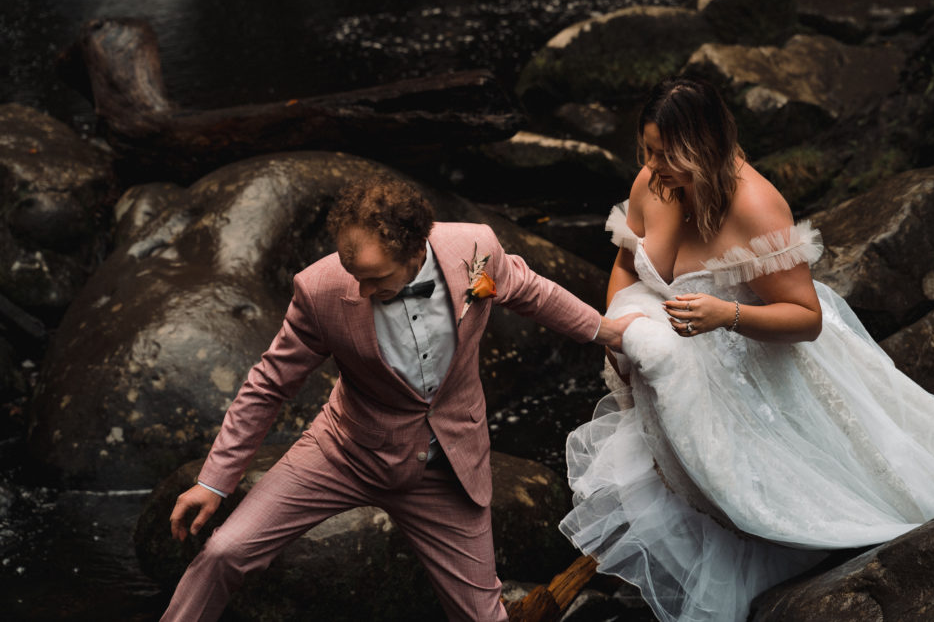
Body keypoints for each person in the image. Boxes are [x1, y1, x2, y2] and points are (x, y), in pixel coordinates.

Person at [559, 77, 934, 622]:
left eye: (667, 154)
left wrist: (724, 315)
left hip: (757, 362)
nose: (653, 165)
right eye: (649, 150)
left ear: (704, 148)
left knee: (843, 494)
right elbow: (623, 264)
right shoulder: (653, 184)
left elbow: (806, 318)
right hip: (677, 373)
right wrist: (618, 334)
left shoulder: (756, 206)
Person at [161, 175, 640, 622]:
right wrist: (214, 481)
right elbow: (269, 383)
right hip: (345, 451)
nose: (361, 290)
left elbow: (533, 292)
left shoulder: (475, 249)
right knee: (224, 551)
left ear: (415, 251)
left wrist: (607, 331)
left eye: (375, 279)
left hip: (446, 465)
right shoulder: (321, 288)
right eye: (354, 274)